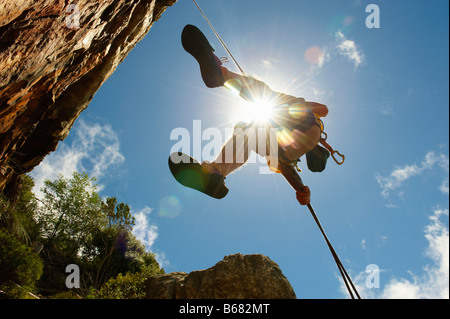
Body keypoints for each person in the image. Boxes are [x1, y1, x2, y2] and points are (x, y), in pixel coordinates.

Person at [169, 25, 330, 199]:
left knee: (268, 98)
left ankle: (221, 75)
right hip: (282, 148)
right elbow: (289, 174)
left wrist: (297, 104)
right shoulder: (288, 158)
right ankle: (215, 173)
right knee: (246, 131)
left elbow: (324, 109)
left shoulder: (312, 134)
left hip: (300, 128)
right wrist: (301, 190)